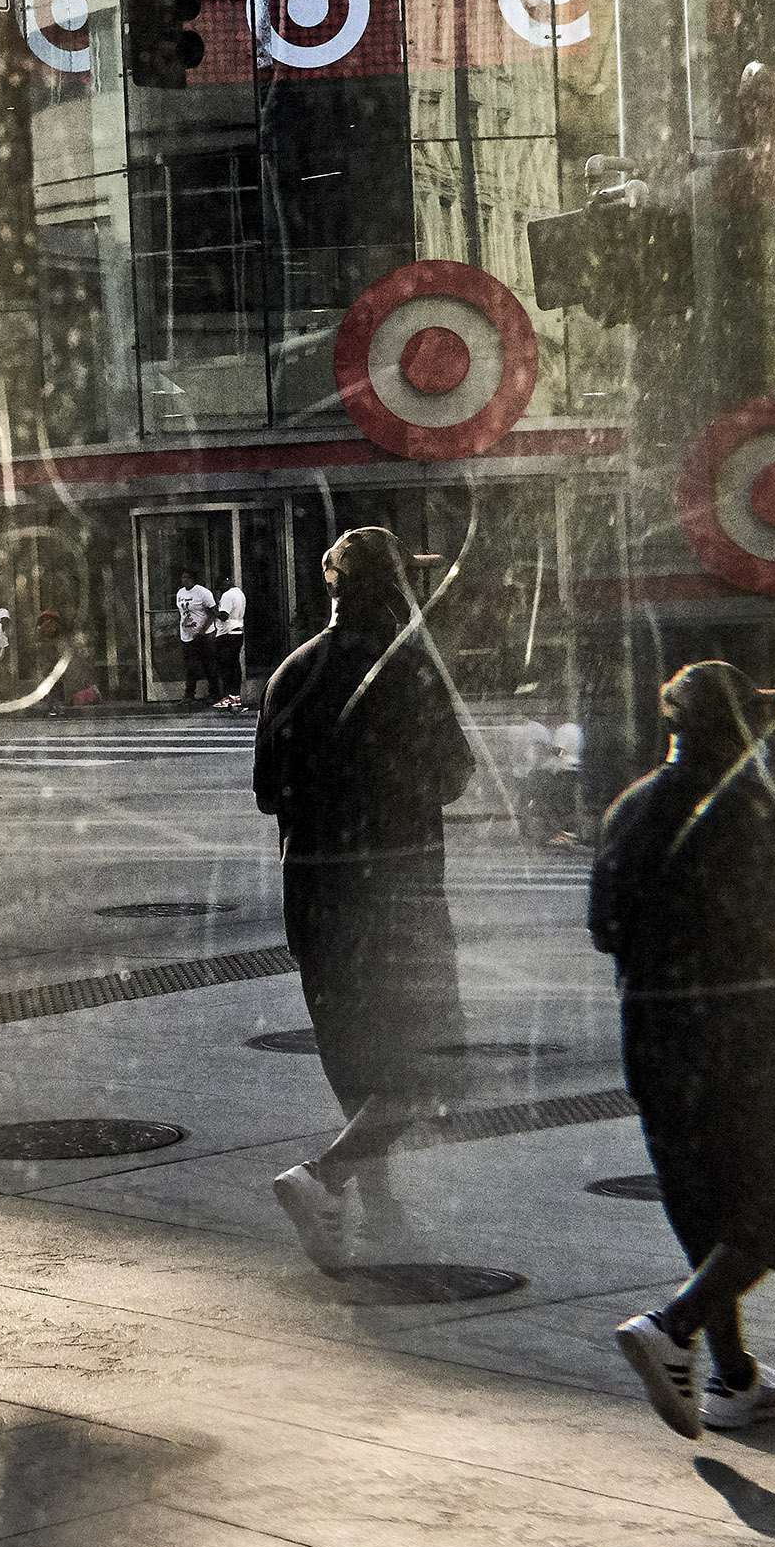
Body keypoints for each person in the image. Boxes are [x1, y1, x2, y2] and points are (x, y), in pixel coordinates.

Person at [589, 661, 775, 1438]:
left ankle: (733, 1378)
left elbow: (603, 929)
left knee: (704, 1207)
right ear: (735, 730)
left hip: (653, 1038)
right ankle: (673, 1325)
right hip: (740, 1037)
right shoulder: (746, 804)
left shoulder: (627, 810)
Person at [255, 527, 476, 1270]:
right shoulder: (409, 668)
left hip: (313, 897)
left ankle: (378, 1214)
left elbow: (264, 793)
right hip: (397, 896)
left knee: (356, 1063)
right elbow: (453, 776)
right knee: (432, 1065)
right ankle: (326, 1177)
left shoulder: (291, 672)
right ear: (394, 590)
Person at [175, 568, 218, 703]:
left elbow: (213, 612)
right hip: (187, 634)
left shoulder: (203, 593)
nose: (185, 581)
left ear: (193, 579)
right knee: (190, 666)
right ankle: (189, 694)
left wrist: (203, 630)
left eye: (187, 578)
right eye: (183, 578)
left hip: (203, 634)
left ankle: (214, 692)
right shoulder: (180, 593)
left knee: (208, 664)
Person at [211, 576, 247, 710]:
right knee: (234, 665)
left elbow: (224, 616)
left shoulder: (227, 595)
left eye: (221, 584)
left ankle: (229, 695)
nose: (219, 588)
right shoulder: (239, 593)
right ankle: (235, 696)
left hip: (227, 633)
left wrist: (213, 611)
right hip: (238, 630)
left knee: (225, 666)